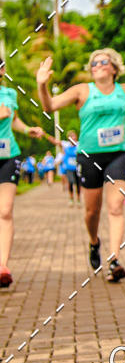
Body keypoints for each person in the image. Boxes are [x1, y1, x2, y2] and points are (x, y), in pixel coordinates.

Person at [36, 49, 125, 282]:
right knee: (92, 211)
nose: (98, 65)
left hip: (118, 155)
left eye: (104, 62)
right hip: (89, 156)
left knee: (115, 207)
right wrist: (42, 85)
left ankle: (114, 260)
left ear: (114, 68)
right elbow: (50, 106)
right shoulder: (82, 90)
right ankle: (94, 243)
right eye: (94, 63)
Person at [0, 61, 43, 287]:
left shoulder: (9, 94)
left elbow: (13, 120)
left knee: (5, 211)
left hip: (9, 155)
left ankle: (3, 266)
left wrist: (28, 129)